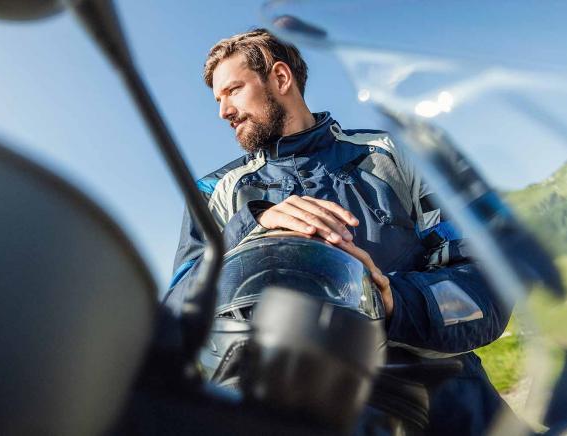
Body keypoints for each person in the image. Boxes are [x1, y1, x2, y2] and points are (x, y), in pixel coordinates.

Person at [162, 28, 512, 435]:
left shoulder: (397, 153)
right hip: (300, 414)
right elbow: (176, 314)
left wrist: (391, 302)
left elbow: (488, 281)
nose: (223, 111)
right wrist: (251, 223)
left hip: (452, 406)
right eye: (218, 99)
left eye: (233, 90)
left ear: (280, 78)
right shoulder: (214, 194)